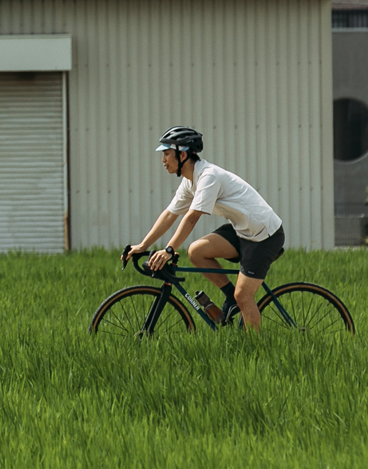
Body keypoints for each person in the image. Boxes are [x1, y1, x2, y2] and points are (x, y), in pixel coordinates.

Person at [122, 126, 285, 329]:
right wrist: (142, 245)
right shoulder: (190, 181)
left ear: (182, 154)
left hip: (264, 235)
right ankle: (230, 300)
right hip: (242, 230)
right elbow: (169, 215)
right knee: (197, 251)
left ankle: (254, 348)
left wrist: (169, 250)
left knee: (244, 295)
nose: (163, 160)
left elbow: (191, 218)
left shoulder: (209, 177)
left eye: (166, 154)